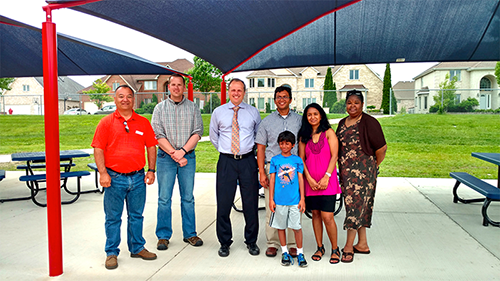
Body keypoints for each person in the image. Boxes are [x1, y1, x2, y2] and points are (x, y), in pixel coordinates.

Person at [91, 85, 158, 270]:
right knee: (113, 218)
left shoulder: (143, 122)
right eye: (121, 96)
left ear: (133, 99)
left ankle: (137, 247)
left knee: (136, 216)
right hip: (114, 178)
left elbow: (151, 146)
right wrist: (103, 173)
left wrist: (151, 170)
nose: (125, 100)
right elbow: (98, 148)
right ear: (115, 99)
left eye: (129, 96)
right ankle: (111, 252)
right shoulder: (106, 122)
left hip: (137, 178)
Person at [209, 78, 261, 257]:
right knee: (223, 203)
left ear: (244, 92)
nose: (236, 93)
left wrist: (244, 151)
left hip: (247, 161)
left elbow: (257, 136)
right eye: (233, 90)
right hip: (226, 162)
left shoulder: (253, 112)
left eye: (239, 90)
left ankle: (251, 241)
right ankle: (224, 242)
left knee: (250, 203)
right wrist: (228, 152)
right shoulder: (218, 112)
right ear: (228, 91)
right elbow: (214, 136)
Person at [152, 74, 204, 251]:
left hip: (187, 158)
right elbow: (157, 135)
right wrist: (174, 154)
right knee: (164, 198)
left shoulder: (193, 108)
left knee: (187, 198)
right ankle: (163, 236)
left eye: (179, 85)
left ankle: (190, 233)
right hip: (166, 158)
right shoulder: (159, 108)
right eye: (173, 85)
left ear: (184, 87)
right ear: (168, 87)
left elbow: (198, 132)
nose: (176, 88)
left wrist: (182, 152)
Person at [335, 90, 387, 263]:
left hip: (364, 173)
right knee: (360, 207)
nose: (352, 106)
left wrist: (373, 166)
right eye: (349, 102)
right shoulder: (342, 123)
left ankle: (349, 246)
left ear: (362, 104)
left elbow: (382, 149)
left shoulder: (369, 122)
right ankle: (362, 243)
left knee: (354, 207)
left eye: (356, 102)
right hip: (346, 173)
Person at [255, 86, 302, 258]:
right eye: (278, 97)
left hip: (293, 169)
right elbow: (260, 148)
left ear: (290, 99)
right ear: (274, 100)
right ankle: (273, 243)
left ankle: (292, 244)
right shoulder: (266, 122)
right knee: (272, 205)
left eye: (285, 96)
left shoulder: (299, 120)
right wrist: (261, 172)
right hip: (273, 169)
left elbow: (302, 145)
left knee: (293, 205)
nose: (281, 99)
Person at [298, 102, 342, 264]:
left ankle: (335, 249)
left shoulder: (329, 133)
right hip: (311, 182)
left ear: (321, 115)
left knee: (327, 216)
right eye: (309, 114)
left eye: (315, 114)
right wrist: (308, 178)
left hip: (327, 182)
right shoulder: (303, 136)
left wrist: (326, 176)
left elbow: (334, 156)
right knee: (315, 214)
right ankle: (319, 247)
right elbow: (301, 159)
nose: (312, 117)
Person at [268, 131, 307, 267]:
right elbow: (272, 179)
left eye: (287, 143)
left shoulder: (297, 160)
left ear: (293, 145)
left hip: (295, 201)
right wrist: (271, 199)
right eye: (281, 143)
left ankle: (300, 253)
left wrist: (302, 199)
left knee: (296, 227)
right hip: (279, 201)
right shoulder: (275, 160)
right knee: (281, 227)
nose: (284, 146)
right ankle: (284, 251)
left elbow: (301, 179)